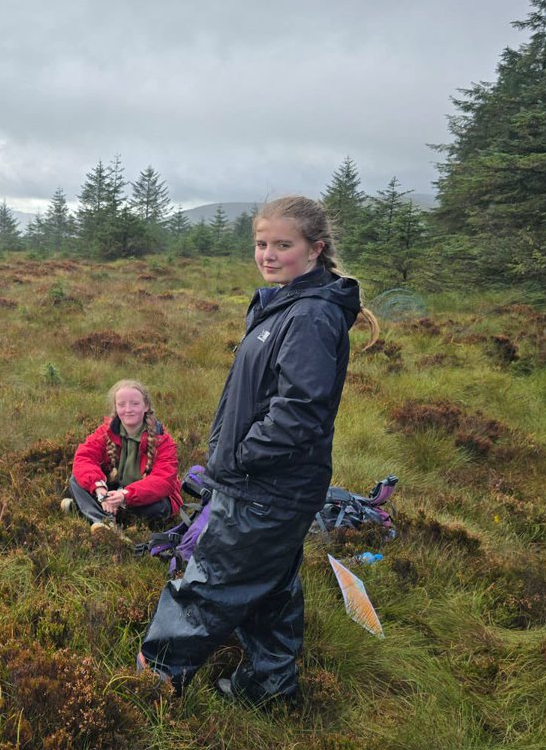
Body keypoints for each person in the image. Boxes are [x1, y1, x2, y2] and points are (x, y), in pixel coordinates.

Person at [138, 195, 379, 705]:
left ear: (315, 249)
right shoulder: (289, 303)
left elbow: (300, 411)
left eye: (282, 245)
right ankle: (268, 689)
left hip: (265, 487)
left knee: (209, 583)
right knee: (271, 589)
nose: (268, 255)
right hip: (278, 486)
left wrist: (239, 458)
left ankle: (148, 687)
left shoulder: (310, 315)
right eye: (261, 243)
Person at [63, 379, 183, 539]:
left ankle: (87, 511)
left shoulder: (163, 440)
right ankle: (106, 523)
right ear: (116, 407)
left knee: (159, 507)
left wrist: (125, 496)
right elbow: (84, 457)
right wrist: (100, 489)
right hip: (113, 491)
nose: (128, 410)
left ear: (146, 406)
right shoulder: (105, 432)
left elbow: (163, 481)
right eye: (122, 404)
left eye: (135, 404)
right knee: (76, 480)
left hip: (140, 497)